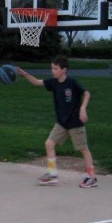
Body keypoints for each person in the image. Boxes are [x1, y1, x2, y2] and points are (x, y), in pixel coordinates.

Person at [16, 56, 98, 188]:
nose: (53, 71)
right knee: (49, 143)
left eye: (55, 69)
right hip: (61, 122)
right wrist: (25, 74)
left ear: (64, 70)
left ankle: (91, 176)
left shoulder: (72, 82)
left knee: (83, 149)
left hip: (75, 122)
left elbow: (87, 93)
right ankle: (52, 174)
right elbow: (37, 82)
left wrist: (83, 108)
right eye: (52, 68)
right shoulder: (53, 83)